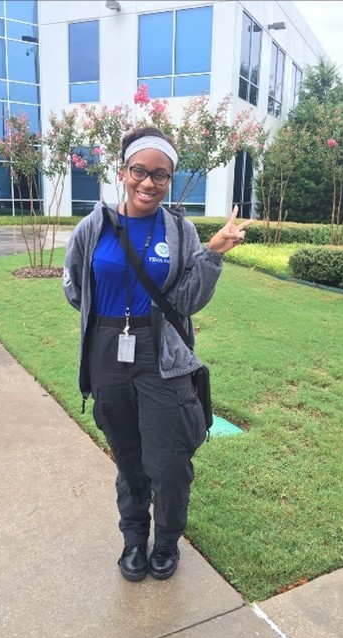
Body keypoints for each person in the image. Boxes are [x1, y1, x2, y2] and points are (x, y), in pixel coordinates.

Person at [63, 126, 252, 582]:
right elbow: (73, 285)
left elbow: (184, 300)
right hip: (107, 352)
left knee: (168, 461)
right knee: (129, 456)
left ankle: (166, 541)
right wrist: (106, 318)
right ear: (123, 171)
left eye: (160, 175)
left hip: (160, 353)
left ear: (169, 180)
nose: (148, 183)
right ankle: (133, 539)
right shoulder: (94, 226)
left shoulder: (180, 231)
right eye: (140, 171)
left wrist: (214, 252)